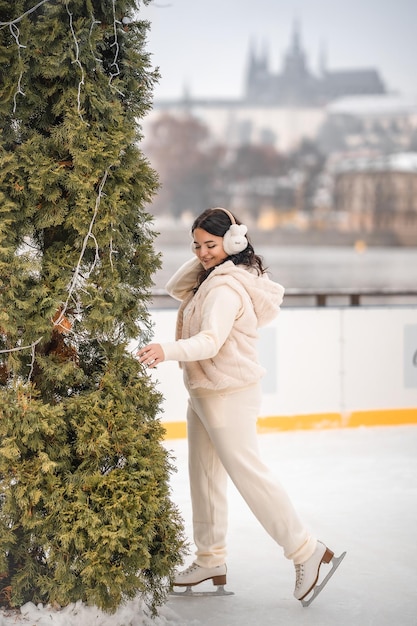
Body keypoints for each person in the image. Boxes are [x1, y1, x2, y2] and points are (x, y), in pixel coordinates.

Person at [137, 207, 343, 604]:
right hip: (203, 392)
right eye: (196, 245)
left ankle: (307, 550)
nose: (201, 253)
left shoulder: (226, 289)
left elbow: (210, 341)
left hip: (228, 393)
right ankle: (210, 559)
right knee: (204, 478)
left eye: (210, 244)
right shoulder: (211, 278)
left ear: (234, 241)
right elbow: (175, 288)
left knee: (250, 476)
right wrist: (213, 255)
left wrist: (166, 350)